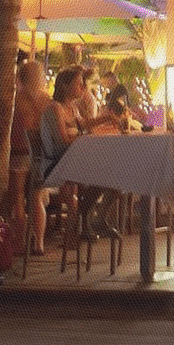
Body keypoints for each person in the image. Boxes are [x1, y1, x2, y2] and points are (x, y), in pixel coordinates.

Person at [40, 66, 121, 246]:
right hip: (58, 163)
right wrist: (85, 140)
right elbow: (62, 141)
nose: (83, 87)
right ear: (64, 86)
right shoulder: (55, 108)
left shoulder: (72, 108)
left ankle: (90, 216)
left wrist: (107, 118)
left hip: (73, 159)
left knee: (115, 174)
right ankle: (86, 218)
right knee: (109, 173)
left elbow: (84, 124)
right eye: (78, 83)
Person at [5, 60, 52, 256]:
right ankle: (39, 243)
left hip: (19, 152)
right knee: (36, 198)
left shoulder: (15, 100)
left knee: (17, 198)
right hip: (40, 154)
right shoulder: (46, 100)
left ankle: (20, 241)